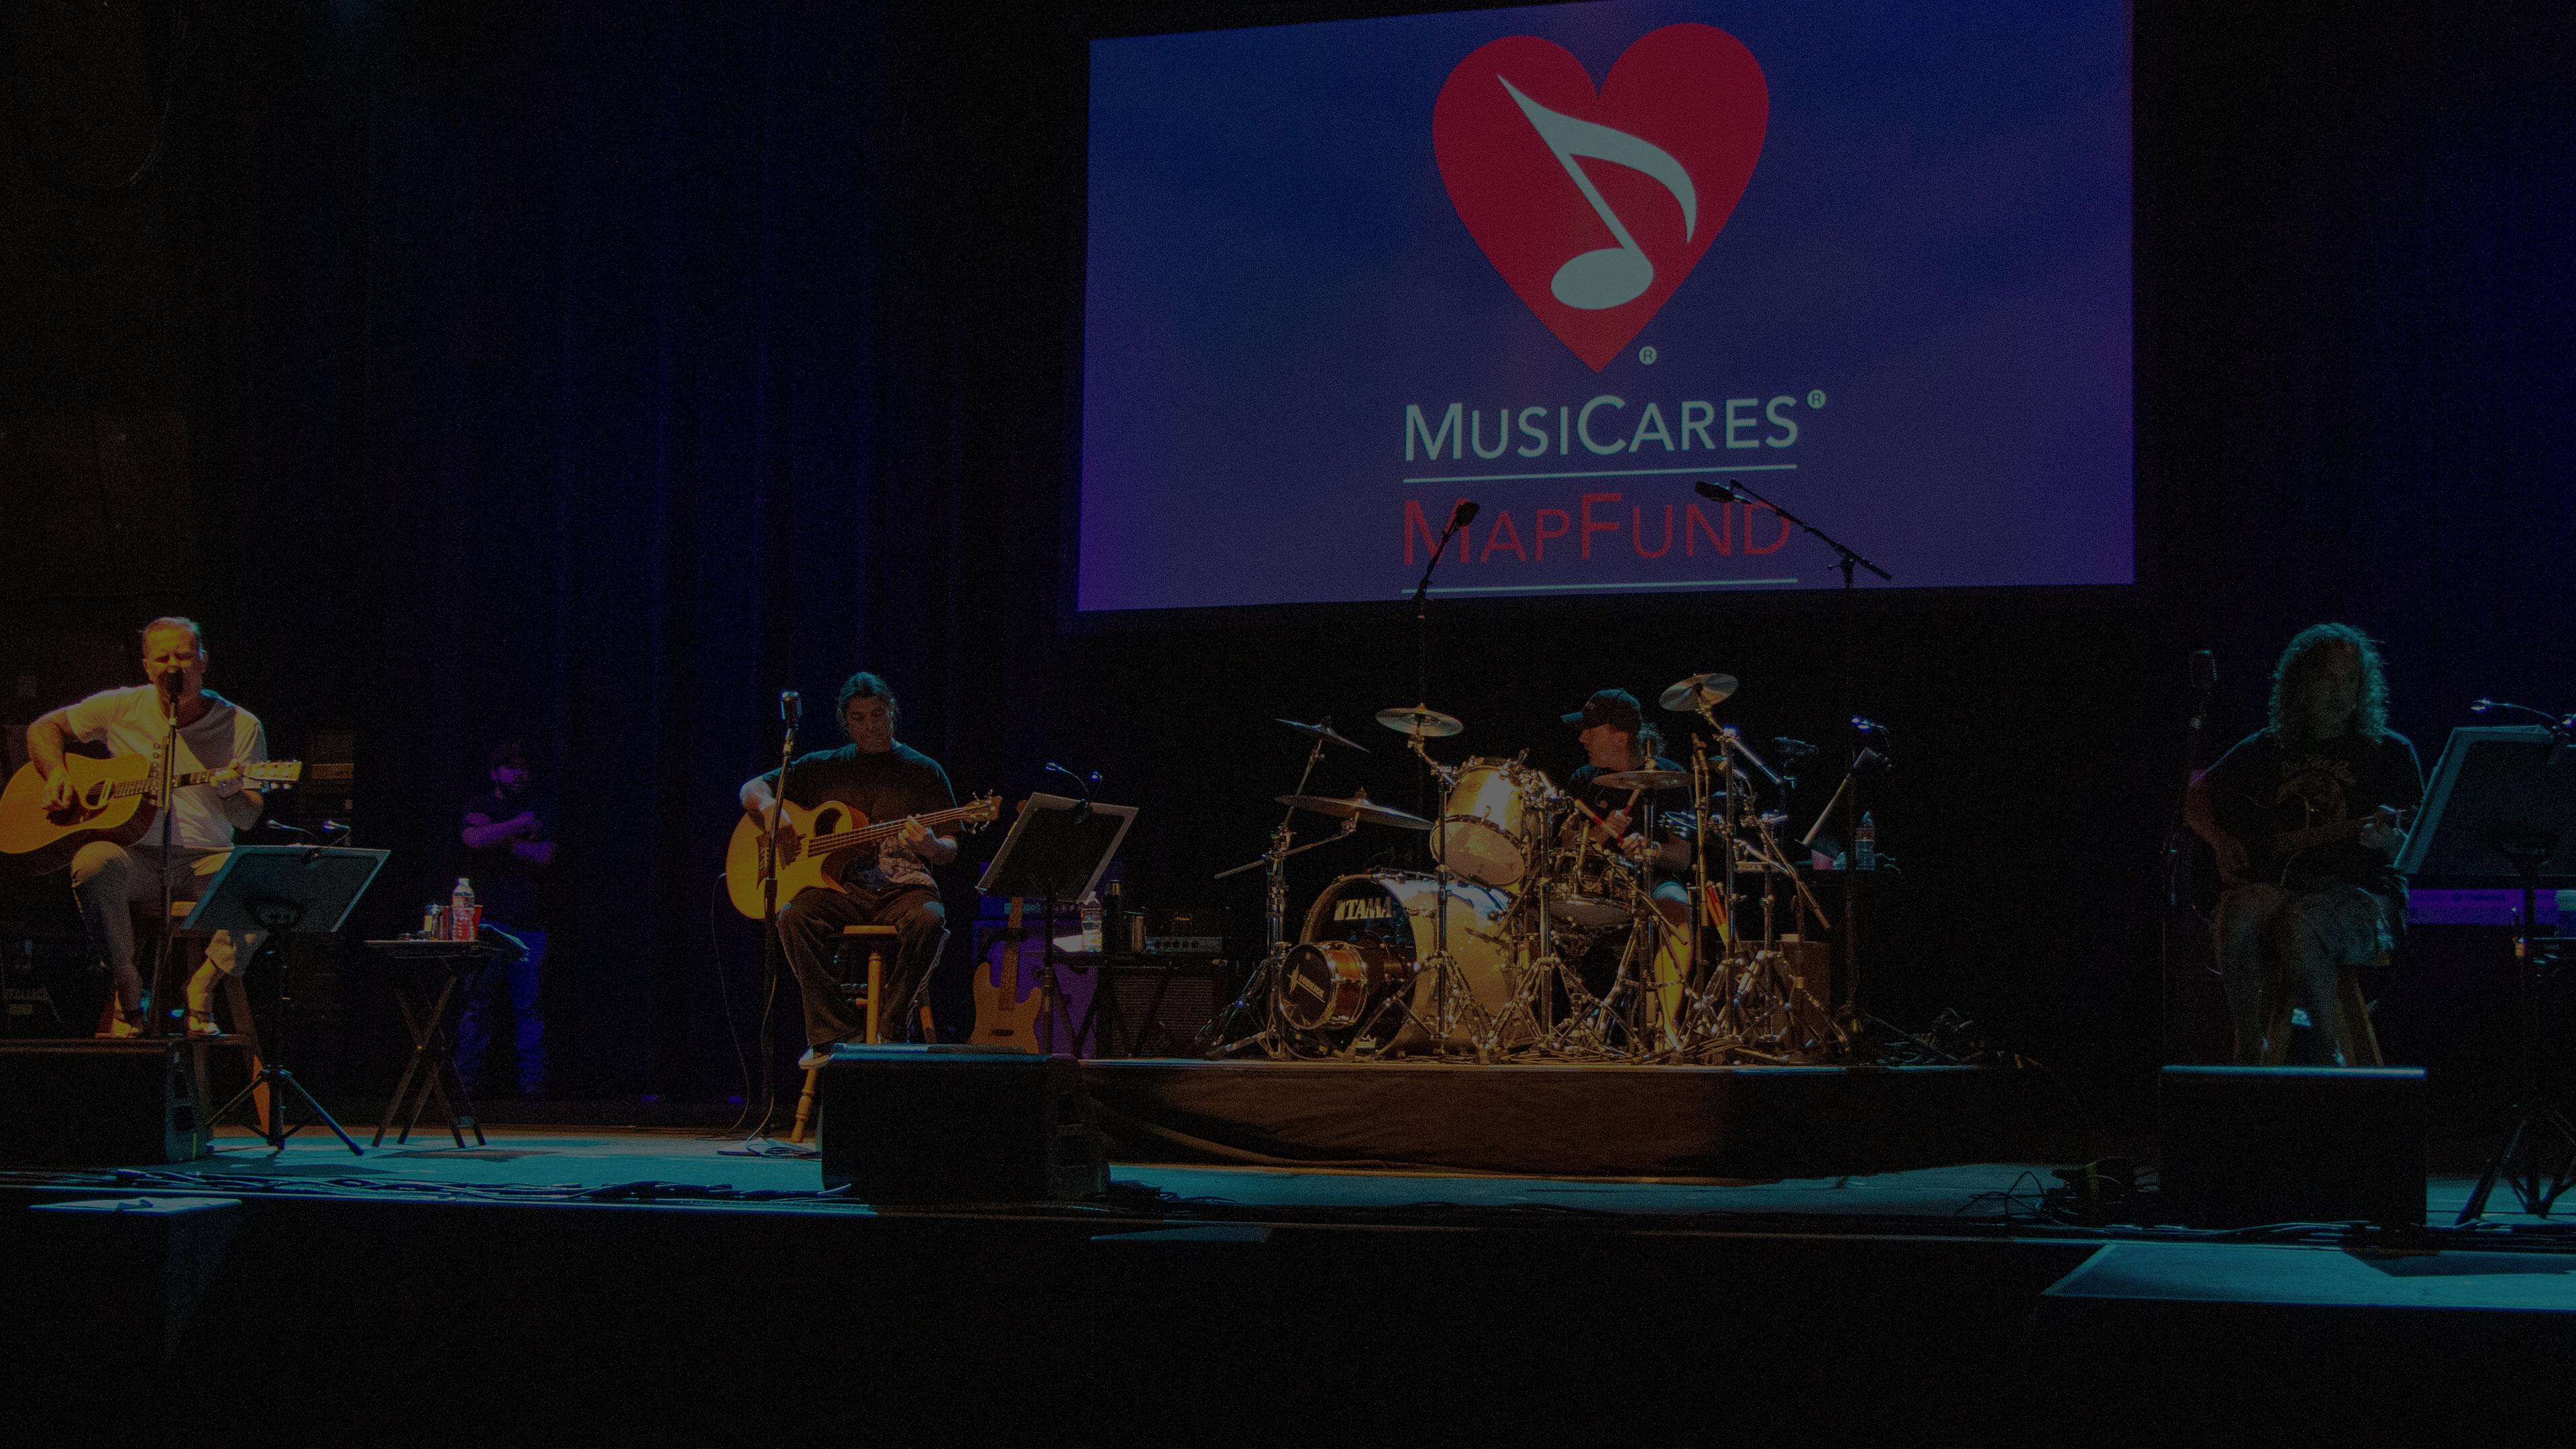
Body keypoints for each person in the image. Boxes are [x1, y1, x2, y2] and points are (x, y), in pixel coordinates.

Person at [2186, 624, 2421, 1065]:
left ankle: (2325, 1053)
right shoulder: (2267, 748)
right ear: (2301, 684)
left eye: (2351, 680)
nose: (2341, 692)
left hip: (2360, 894)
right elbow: (2193, 797)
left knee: (2300, 924)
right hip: (2286, 886)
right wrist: (2220, 842)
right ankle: (2248, 1046)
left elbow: (2417, 848)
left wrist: (2391, 842)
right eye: (2328, 679)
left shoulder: (2390, 752)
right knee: (2239, 912)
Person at [23, 616, 268, 1035]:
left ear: (204, 662)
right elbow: (44, 728)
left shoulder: (241, 725)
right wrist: (57, 774)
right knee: (92, 862)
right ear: (147, 666)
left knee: (264, 885)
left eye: (185, 656)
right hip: (132, 854)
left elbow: (248, 816)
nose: (175, 666)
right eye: (163, 657)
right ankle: (127, 982)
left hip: (205, 859)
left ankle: (204, 985)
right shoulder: (121, 706)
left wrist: (231, 793)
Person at [738, 672, 957, 1066]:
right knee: (793, 916)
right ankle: (832, 1036)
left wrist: (931, 846)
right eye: (859, 718)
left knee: (930, 919)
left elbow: (950, 848)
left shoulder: (924, 771)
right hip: (842, 890)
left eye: (878, 714)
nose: (870, 725)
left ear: (892, 712)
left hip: (903, 889)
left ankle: (891, 1029)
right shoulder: (823, 767)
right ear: (845, 720)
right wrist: (772, 809)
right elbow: (752, 788)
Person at [457, 741, 555, 1097]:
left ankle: (533, 1090)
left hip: (530, 922)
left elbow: (544, 855)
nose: (520, 773)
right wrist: (517, 826)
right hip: (486, 922)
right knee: (476, 1006)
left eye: (524, 767)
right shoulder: (480, 805)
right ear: (495, 772)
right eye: (512, 767)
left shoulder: (540, 807)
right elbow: (473, 839)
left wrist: (500, 832)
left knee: (529, 1007)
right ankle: (466, 1088)